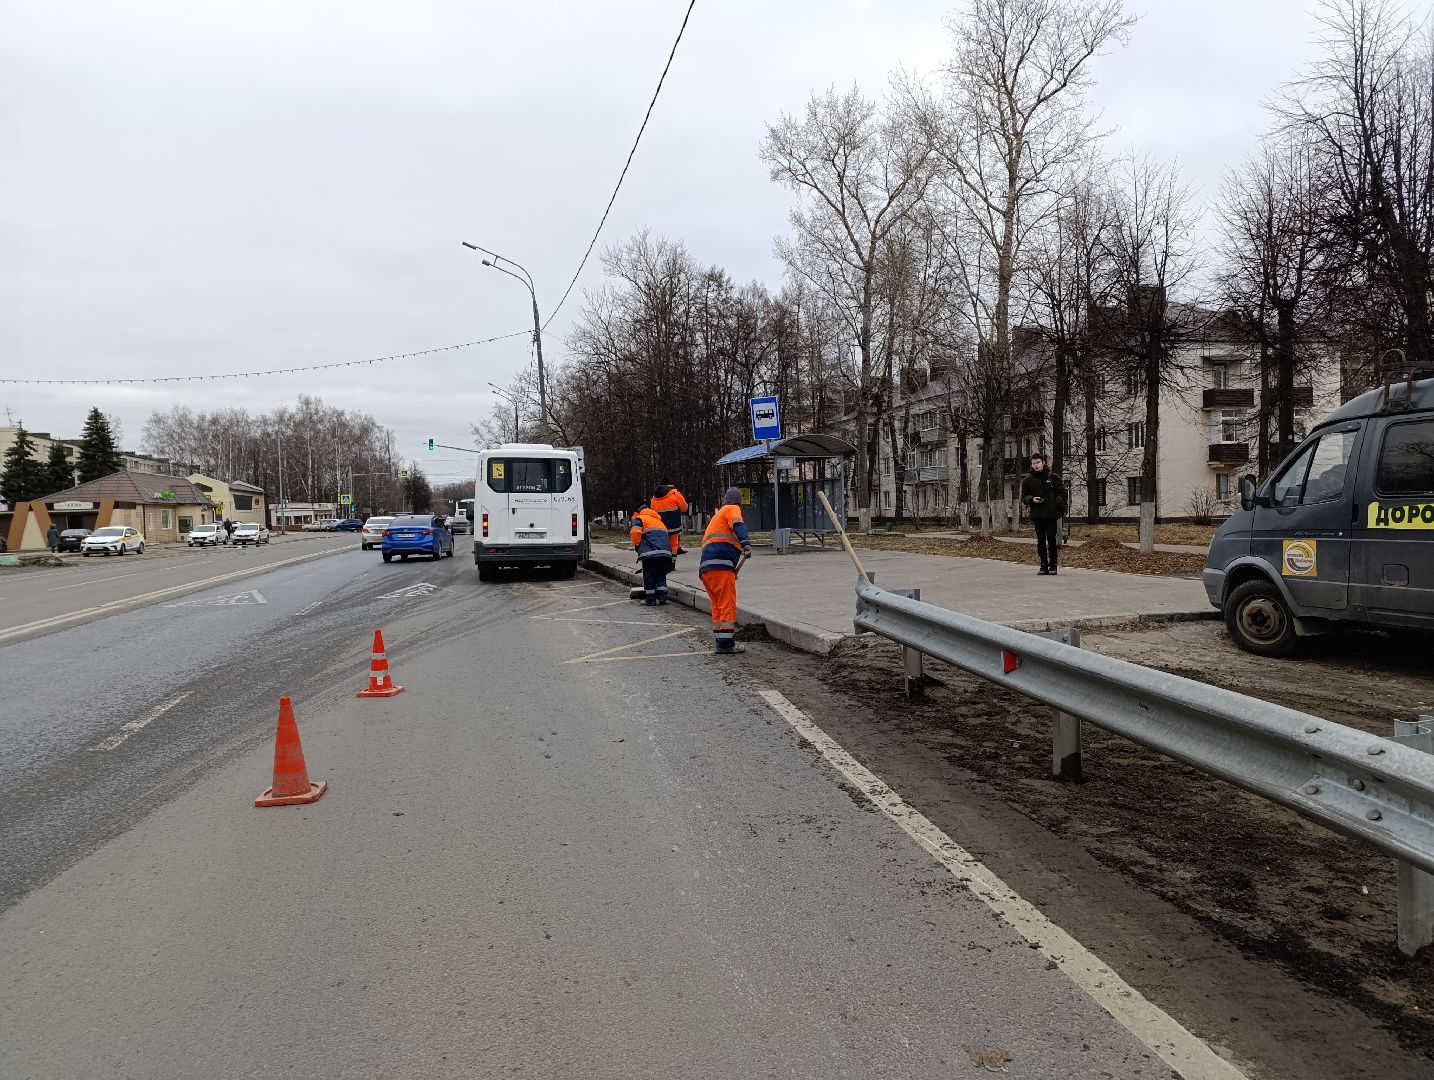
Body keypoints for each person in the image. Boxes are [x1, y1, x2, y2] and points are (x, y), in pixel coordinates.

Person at [699, 487, 752, 654]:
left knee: (718, 604)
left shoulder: (718, 516)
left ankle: (720, 639)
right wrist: (745, 543)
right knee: (727, 603)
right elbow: (738, 524)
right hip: (721, 565)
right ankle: (727, 644)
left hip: (707, 568)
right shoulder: (732, 509)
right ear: (738, 502)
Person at [1020, 453, 1066, 575]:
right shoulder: (1027, 480)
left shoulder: (1053, 477)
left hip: (1051, 514)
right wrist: (1032, 499)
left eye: (1038, 462)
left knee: (1051, 539)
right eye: (1034, 463)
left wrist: (1057, 504)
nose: (1036, 465)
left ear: (1043, 462)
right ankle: (1043, 565)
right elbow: (1024, 497)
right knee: (1041, 541)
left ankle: (1053, 565)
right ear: (1031, 465)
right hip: (1037, 515)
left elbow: (1062, 493)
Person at [629, 501, 675, 605]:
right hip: (666, 553)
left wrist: (637, 545)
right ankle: (662, 598)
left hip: (651, 552)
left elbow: (635, 532)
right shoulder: (659, 521)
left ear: (640, 511)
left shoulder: (640, 519)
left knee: (649, 575)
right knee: (660, 574)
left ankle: (650, 599)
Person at [650, 481, 689, 556]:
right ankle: (672, 563)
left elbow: (653, 512)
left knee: (663, 545)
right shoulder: (676, 494)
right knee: (674, 545)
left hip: (661, 527)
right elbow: (684, 508)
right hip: (674, 526)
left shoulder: (654, 499)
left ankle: (664, 562)